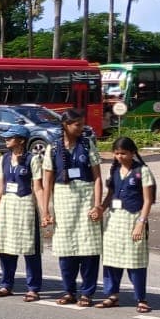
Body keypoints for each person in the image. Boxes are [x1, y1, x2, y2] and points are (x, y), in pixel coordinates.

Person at [42, 109, 103, 306]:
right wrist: (45, 210)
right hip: (63, 201)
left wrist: (97, 205)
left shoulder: (87, 145)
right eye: (77, 124)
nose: (81, 127)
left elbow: (97, 178)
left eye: (82, 123)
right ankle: (69, 290)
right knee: (66, 249)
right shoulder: (52, 148)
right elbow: (47, 182)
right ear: (65, 125)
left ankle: (87, 292)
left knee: (89, 250)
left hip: (86, 201)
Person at [96, 137, 156, 312]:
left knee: (135, 260)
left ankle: (141, 298)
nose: (120, 156)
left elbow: (148, 200)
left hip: (133, 219)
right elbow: (110, 195)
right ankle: (112, 295)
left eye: (123, 153)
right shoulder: (114, 170)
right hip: (114, 220)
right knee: (111, 260)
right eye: (116, 153)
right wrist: (100, 208)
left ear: (132, 153)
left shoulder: (142, 171)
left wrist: (140, 223)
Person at [0, 126, 46, 301]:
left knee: (30, 249)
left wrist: (45, 212)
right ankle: (6, 284)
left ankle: (33, 288)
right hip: (7, 205)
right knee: (6, 247)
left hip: (25, 205)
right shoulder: (4, 159)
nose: (6, 140)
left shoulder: (33, 159)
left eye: (10, 137)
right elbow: (0, 187)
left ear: (21, 140)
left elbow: (38, 187)